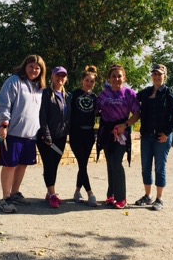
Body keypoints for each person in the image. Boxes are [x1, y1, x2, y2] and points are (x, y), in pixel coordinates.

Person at [0, 54, 47, 213]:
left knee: (22, 164)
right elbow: (4, 103)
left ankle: (15, 193)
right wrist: (4, 123)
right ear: (25, 66)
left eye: (37, 68)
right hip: (13, 133)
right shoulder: (14, 81)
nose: (34, 70)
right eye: (31, 66)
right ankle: (6, 198)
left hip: (30, 135)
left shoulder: (39, 88)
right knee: (10, 165)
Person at [136, 64, 173, 211]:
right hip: (147, 135)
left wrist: (167, 133)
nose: (156, 77)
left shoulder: (169, 92)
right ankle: (147, 196)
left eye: (159, 74)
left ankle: (159, 199)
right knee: (145, 167)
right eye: (154, 74)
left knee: (160, 167)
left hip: (162, 137)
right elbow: (131, 98)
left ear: (164, 76)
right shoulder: (146, 92)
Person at [96, 64, 140, 209]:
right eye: (113, 76)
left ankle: (121, 198)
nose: (116, 79)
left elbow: (137, 114)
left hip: (122, 133)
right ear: (109, 78)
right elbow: (94, 111)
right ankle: (111, 195)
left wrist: (125, 125)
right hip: (107, 133)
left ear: (124, 78)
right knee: (110, 163)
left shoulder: (129, 94)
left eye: (119, 76)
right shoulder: (103, 95)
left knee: (116, 162)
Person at [37, 66, 71, 208]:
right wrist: (46, 135)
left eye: (63, 76)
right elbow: (42, 116)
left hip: (61, 137)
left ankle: (49, 192)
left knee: (54, 165)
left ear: (66, 78)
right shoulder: (45, 94)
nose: (60, 78)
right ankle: (52, 194)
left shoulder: (67, 96)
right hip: (46, 137)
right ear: (52, 77)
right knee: (49, 164)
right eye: (58, 75)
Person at [69, 65, 98, 207]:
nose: (89, 83)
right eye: (87, 80)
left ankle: (77, 191)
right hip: (76, 133)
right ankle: (90, 193)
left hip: (89, 134)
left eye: (92, 81)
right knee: (82, 163)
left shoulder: (95, 97)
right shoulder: (74, 94)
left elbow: (101, 113)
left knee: (83, 164)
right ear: (82, 80)